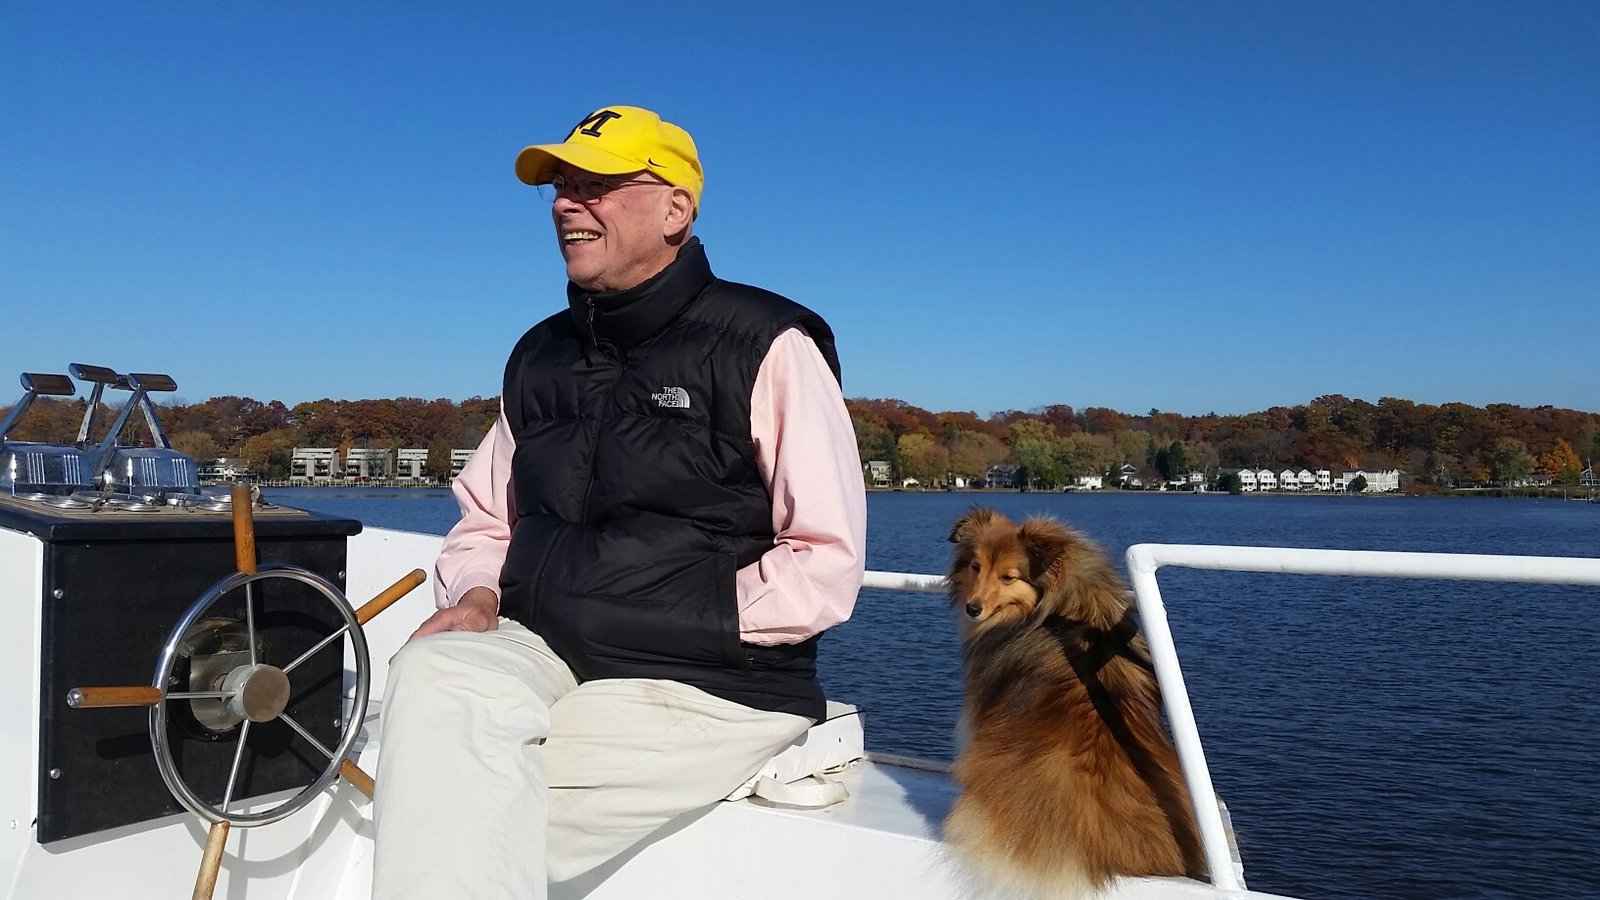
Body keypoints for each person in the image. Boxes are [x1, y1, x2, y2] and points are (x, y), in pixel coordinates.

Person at [371, 105, 866, 900]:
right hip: (544, 645)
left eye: (595, 185)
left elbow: (824, 561)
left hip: (706, 678)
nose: (567, 203)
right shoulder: (539, 356)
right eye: (562, 186)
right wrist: (477, 595)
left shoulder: (766, 345)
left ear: (676, 209)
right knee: (432, 676)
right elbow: (488, 521)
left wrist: (679, 616)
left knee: (464, 808)